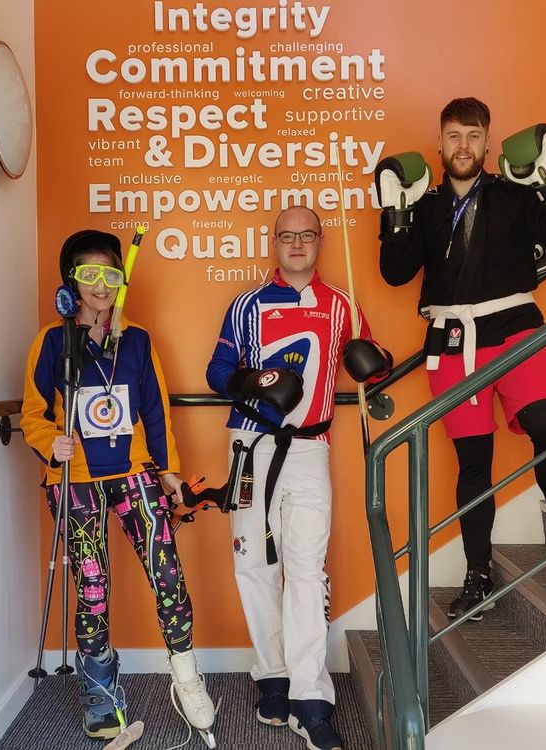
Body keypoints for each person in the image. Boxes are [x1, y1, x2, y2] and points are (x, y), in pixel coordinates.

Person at [377, 97, 546, 622]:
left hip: (516, 328)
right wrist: (397, 214)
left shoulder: (514, 194)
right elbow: (393, 272)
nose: (463, 146)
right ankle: (478, 572)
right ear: (440, 143)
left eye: (474, 136)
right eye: (454, 135)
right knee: (473, 461)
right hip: (453, 340)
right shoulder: (426, 204)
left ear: (487, 143)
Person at [206, 206, 392, 750]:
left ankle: (311, 699)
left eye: (305, 235)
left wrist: (372, 360)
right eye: (286, 236)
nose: (295, 244)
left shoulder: (342, 306)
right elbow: (217, 373)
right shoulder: (246, 305)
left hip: (312, 446)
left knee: (307, 572)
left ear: (319, 242)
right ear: (275, 243)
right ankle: (272, 675)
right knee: (255, 566)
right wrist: (256, 378)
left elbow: (375, 361)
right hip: (251, 445)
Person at [21, 229, 214, 742]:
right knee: (93, 591)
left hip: (133, 476)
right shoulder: (52, 341)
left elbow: (155, 409)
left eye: (110, 273)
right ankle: (102, 695)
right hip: (76, 482)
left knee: (167, 573)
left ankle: (187, 677)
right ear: (72, 283)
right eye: (89, 275)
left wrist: (169, 470)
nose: (101, 285)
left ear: (120, 279)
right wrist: (48, 443)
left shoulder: (139, 340)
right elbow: (33, 412)